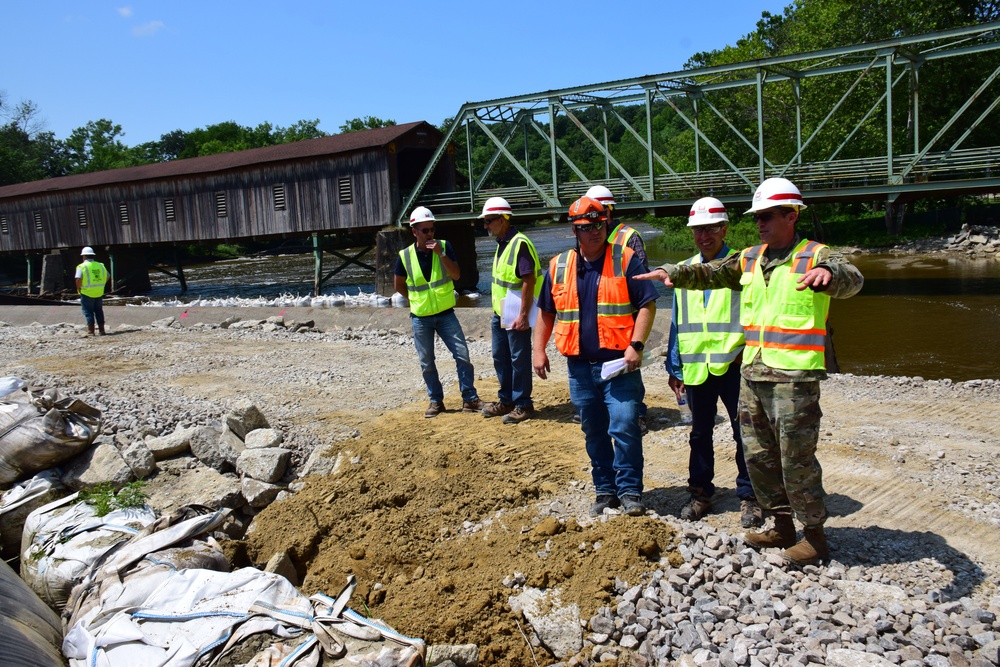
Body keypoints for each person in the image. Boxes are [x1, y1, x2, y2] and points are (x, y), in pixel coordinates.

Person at [636, 178, 863, 565]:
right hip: (754, 375)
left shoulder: (815, 255)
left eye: (767, 216)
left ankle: (815, 538)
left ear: (791, 216)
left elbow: (851, 279)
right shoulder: (751, 257)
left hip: (794, 379)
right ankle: (781, 527)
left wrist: (831, 276)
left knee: (796, 459)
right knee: (759, 457)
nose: (759, 223)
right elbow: (710, 272)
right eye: (757, 216)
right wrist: (672, 271)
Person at [533, 196, 658, 517]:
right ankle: (605, 490)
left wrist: (637, 345)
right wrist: (538, 350)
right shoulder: (559, 266)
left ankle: (630, 491)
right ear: (575, 230)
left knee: (626, 424)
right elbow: (546, 312)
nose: (595, 233)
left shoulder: (626, 259)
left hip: (620, 365)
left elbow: (647, 304)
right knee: (594, 430)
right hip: (579, 367)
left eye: (599, 225)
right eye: (587, 228)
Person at [666, 197, 762, 528]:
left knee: (744, 433)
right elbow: (678, 322)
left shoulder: (742, 265)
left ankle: (750, 496)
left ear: (724, 229)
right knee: (699, 434)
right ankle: (701, 493)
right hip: (696, 367)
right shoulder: (685, 269)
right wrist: (673, 367)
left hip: (734, 365)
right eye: (698, 230)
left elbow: (754, 313)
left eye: (710, 229)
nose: (703, 236)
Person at [394, 207, 484, 419]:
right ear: (414, 231)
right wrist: (415, 300)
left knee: (462, 355)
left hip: (446, 314)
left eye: (432, 229)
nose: (429, 234)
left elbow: (456, 274)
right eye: (425, 230)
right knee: (427, 362)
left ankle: (469, 398)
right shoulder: (405, 256)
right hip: (420, 318)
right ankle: (436, 401)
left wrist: (440, 254)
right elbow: (398, 285)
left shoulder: (444, 247)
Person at [583, 185, 650, 434]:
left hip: (625, 313)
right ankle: (607, 410)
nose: (595, 220)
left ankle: (638, 413)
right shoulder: (588, 232)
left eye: (600, 212)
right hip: (599, 315)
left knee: (630, 364)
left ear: (610, 210)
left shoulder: (628, 236)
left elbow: (640, 275)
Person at [479, 196, 542, 424]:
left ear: (503, 219)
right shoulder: (503, 243)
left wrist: (524, 315)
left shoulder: (519, 243)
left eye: (488, 221)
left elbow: (528, 280)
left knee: (518, 359)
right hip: (501, 313)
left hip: (515, 313)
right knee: (501, 357)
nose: (485, 225)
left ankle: (523, 404)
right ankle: (506, 401)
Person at [75, 246, 109, 336]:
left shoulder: (82, 266)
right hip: (99, 292)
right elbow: (108, 276)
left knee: (88, 312)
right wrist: (101, 284)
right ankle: (102, 330)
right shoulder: (101, 265)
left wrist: (78, 289)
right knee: (99, 311)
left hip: (87, 293)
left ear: (84, 256)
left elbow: (78, 279)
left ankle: (91, 331)